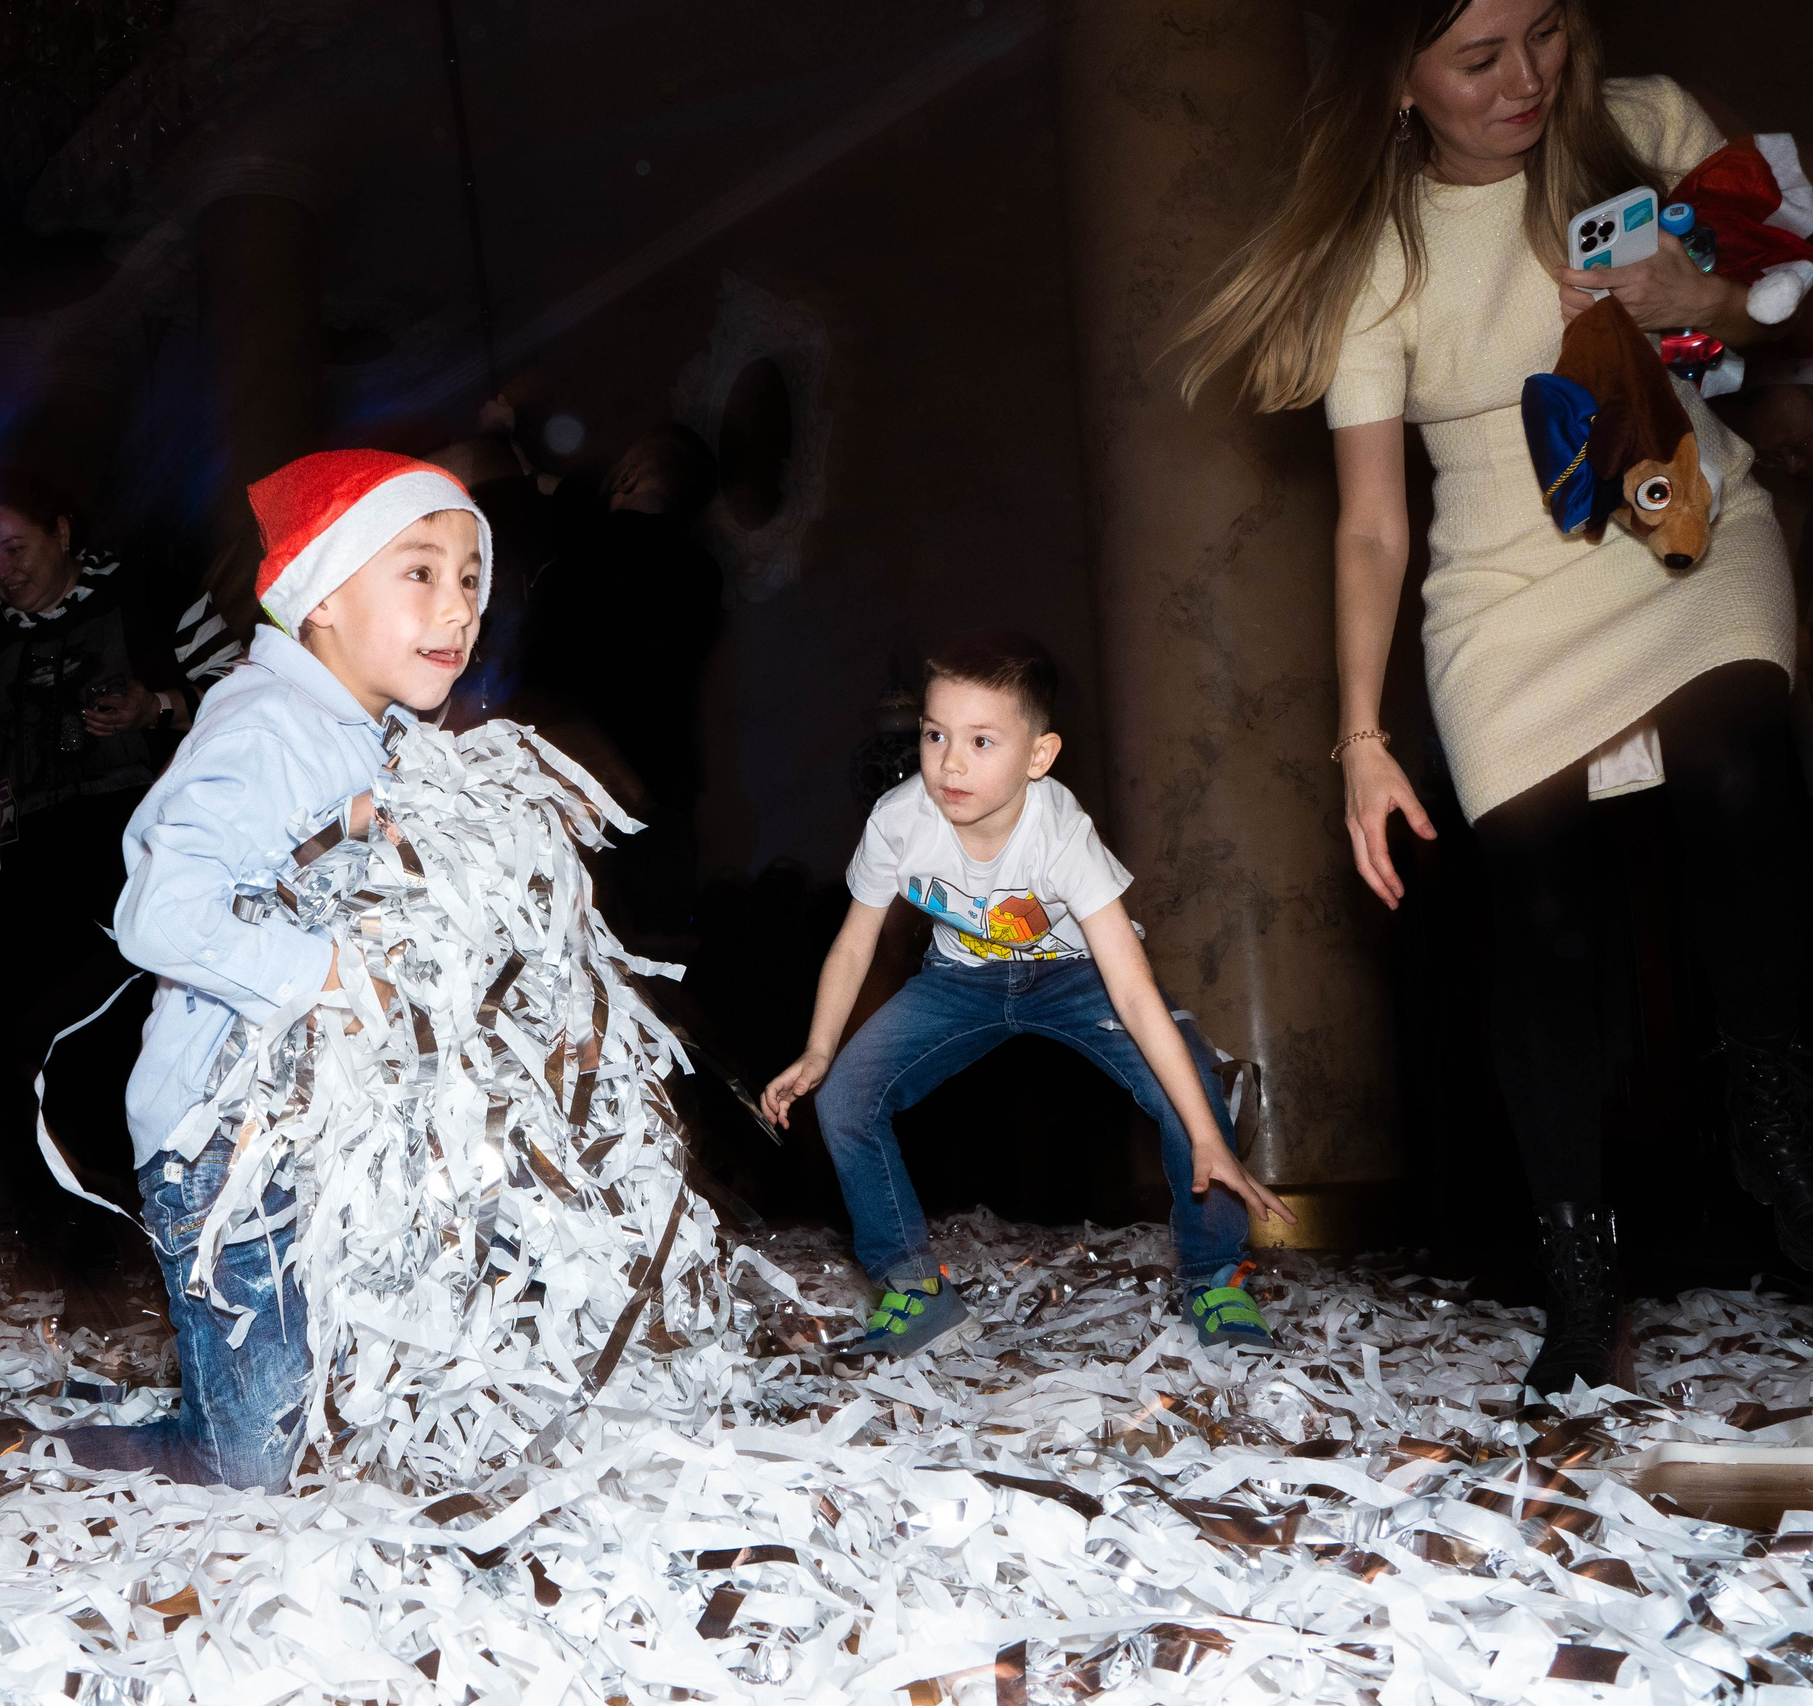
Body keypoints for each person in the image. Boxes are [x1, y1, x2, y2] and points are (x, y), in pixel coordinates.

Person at [1172, 0, 1811, 1395]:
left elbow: (1781, 296)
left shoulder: (1642, 125)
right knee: (1544, 931)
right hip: (1505, 611)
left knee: (1745, 779)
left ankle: (1782, 1125)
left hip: (1685, 536)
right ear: (1400, 82)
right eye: (1479, 57)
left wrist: (1699, 302)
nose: (1526, 78)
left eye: (1542, 34)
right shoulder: (1380, 258)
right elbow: (1369, 528)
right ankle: (1581, 1289)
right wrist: (1359, 736)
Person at [0, 449, 492, 1491]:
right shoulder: (267, 725)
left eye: (469, 575)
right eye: (418, 570)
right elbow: (159, 910)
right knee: (248, 1466)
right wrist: (332, 973)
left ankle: (194, 1405)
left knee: (326, 1408)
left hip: (317, 1138)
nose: (456, 604)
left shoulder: (376, 735)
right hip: (226, 1149)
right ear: (318, 595)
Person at [760, 635, 1294, 1357]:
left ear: (1038, 757)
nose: (950, 762)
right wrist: (821, 1048)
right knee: (845, 1097)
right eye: (935, 734)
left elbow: (1133, 993)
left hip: (1076, 974)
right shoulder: (898, 819)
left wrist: (1205, 1138)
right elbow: (855, 942)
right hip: (959, 980)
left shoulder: (1060, 833)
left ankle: (1215, 1277)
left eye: (982, 741)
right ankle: (916, 1293)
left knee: (1190, 1087)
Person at [0, 470, 191, 1272]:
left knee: (110, 1033)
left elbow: (244, 694)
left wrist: (158, 708)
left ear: (63, 534)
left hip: (132, 849)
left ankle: (138, 1232)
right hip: (34, 852)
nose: (2, 571)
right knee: (13, 1035)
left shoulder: (147, 591)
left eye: (15, 547)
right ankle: (46, 1237)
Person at [517, 423, 726, 940]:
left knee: (554, 953)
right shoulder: (703, 575)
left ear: (629, 477)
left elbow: (542, 489)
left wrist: (508, 442)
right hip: (663, 798)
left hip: (569, 794)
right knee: (655, 961)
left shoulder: (577, 557)